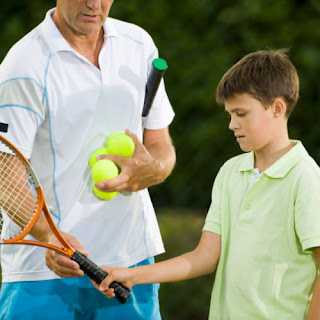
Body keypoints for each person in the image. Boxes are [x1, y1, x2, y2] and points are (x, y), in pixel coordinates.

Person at [94, 50, 320, 320]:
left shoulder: (306, 177)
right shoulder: (230, 173)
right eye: (230, 114)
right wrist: (132, 275)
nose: (232, 124)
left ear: (277, 108)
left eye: (241, 113)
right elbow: (204, 256)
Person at [0, 0, 176, 319]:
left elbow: (160, 144)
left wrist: (155, 169)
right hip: (43, 275)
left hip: (130, 264)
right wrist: (49, 236)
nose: (94, 4)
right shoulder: (23, 64)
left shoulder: (139, 45)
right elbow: (4, 171)